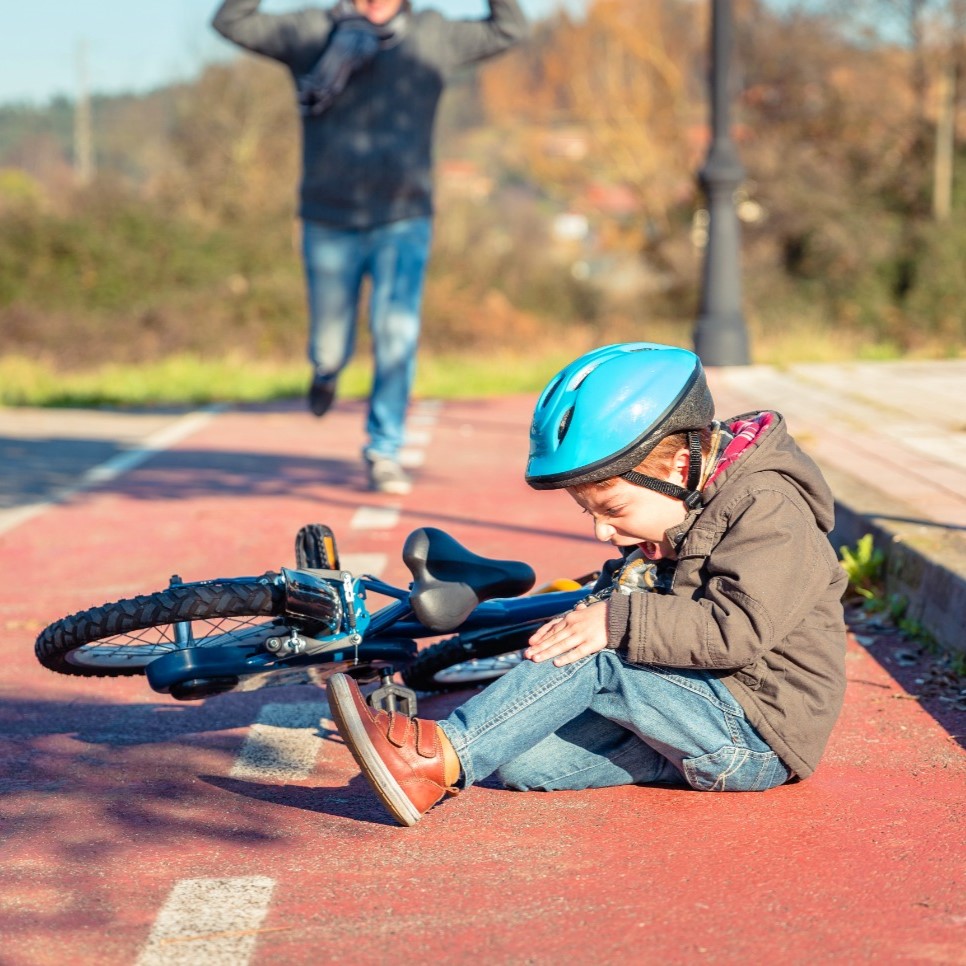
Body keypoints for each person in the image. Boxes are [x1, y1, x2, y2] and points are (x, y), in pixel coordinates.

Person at [326, 341, 849, 826]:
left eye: (614, 509)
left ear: (682, 466)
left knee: (600, 655)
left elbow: (736, 630)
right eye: (589, 513)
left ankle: (433, 761)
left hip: (756, 729)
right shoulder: (677, 507)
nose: (602, 530)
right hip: (697, 713)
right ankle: (480, 749)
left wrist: (613, 620)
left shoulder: (769, 510)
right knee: (520, 762)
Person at [211, 0, 528, 494]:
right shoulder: (313, 30)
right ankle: (326, 368)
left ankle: (384, 449)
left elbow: (509, 28)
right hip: (328, 217)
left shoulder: (431, 34)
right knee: (331, 343)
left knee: (396, 332)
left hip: (403, 217)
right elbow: (230, 22)